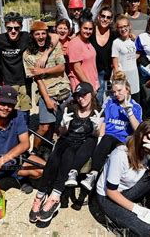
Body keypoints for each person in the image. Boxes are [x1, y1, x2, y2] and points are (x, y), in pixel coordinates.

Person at [29, 82, 101, 223]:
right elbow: (61, 133)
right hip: (67, 139)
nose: (81, 98)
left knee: (68, 155)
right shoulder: (70, 108)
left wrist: (96, 127)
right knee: (53, 159)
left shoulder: (98, 110)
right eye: (78, 96)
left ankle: (54, 198)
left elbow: (98, 135)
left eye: (84, 94)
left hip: (82, 144)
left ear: (91, 94)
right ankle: (40, 195)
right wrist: (63, 125)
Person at [95, 120, 150, 236]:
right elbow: (110, 191)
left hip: (127, 190)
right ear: (139, 136)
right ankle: (116, 223)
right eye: (148, 138)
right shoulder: (121, 154)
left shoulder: (149, 151)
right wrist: (138, 210)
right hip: (108, 197)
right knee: (147, 230)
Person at [66, 71, 142, 192]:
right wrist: (98, 135)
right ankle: (73, 172)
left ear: (127, 89)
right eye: (114, 91)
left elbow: (138, 130)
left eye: (120, 90)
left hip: (121, 141)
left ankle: (93, 175)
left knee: (107, 139)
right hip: (106, 137)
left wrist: (130, 113)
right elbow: (104, 122)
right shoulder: (110, 101)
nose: (116, 94)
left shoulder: (135, 106)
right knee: (92, 140)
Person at [23, 21, 71, 155]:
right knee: (44, 127)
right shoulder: (28, 55)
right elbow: (37, 79)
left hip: (63, 88)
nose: (41, 36)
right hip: (46, 92)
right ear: (32, 35)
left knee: (67, 124)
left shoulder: (54, 47)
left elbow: (61, 68)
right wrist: (47, 100)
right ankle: (35, 151)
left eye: (43, 33)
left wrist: (43, 71)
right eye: (37, 34)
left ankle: (61, 149)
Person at [67, 9, 100, 91]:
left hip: (93, 84)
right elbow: (77, 69)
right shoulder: (75, 43)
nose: (88, 31)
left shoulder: (88, 42)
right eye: (85, 28)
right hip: (82, 87)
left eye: (90, 29)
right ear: (80, 27)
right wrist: (90, 86)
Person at [90, 6, 116, 103]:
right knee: (97, 99)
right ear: (98, 17)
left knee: (110, 99)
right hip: (94, 73)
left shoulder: (114, 34)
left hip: (109, 74)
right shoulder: (91, 31)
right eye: (103, 16)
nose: (105, 19)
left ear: (111, 20)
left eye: (108, 17)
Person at [112, 15, 140, 102]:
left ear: (129, 26)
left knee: (135, 101)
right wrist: (117, 81)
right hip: (124, 77)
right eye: (120, 27)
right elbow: (115, 65)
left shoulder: (133, 40)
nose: (123, 29)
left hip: (134, 75)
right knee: (124, 102)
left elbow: (136, 54)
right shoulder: (116, 43)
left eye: (125, 26)